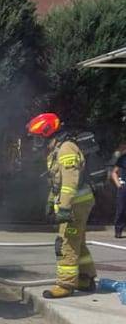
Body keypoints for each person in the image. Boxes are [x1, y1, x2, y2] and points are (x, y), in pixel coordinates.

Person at [26, 112, 97, 298]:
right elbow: (56, 181)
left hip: (76, 204)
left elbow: (69, 182)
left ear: (47, 133)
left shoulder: (66, 149)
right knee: (78, 242)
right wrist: (51, 200)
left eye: (37, 137)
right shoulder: (56, 149)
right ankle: (86, 277)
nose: (36, 142)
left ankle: (65, 285)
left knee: (66, 243)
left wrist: (64, 208)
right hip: (77, 201)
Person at [110, 142, 126, 238]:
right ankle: (118, 230)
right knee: (121, 209)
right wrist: (119, 185)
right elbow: (114, 173)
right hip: (124, 187)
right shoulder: (123, 158)